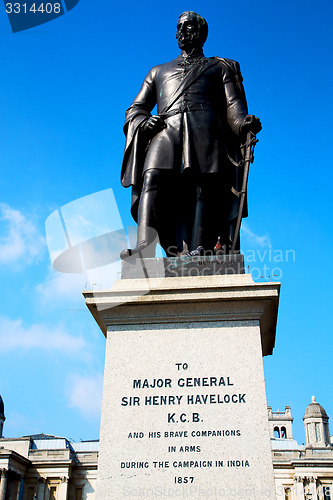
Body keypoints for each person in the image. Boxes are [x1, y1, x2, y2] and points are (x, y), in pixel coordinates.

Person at [120, 11, 261, 259]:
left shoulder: (220, 68)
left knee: (202, 187)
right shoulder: (158, 71)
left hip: (205, 128)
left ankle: (200, 247)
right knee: (152, 178)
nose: (183, 32)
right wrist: (143, 121)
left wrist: (242, 124)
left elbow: (233, 106)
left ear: (201, 33)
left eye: (188, 27)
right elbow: (136, 108)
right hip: (166, 129)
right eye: (179, 27)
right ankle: (145, 248)